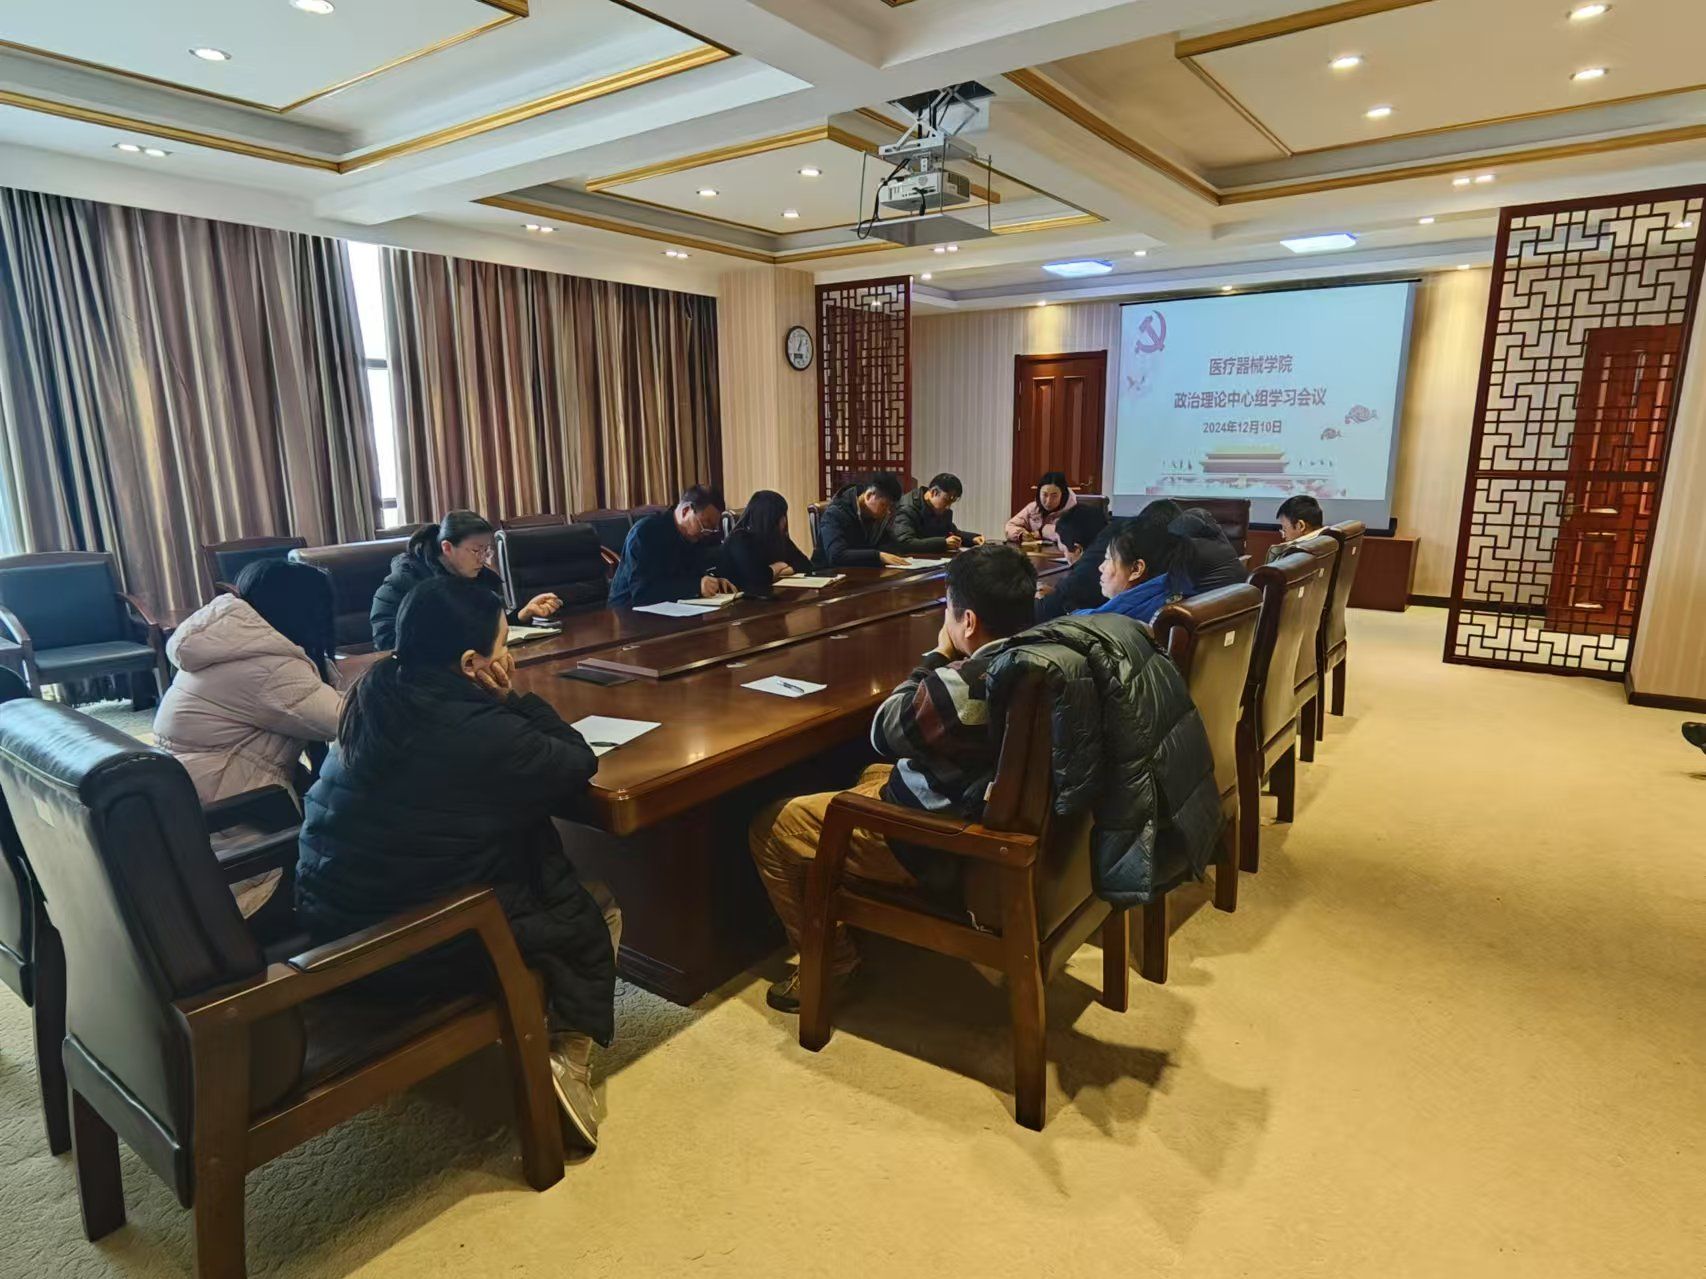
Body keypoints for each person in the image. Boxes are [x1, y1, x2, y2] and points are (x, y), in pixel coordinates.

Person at [296, 576, 619, 1150]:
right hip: (412, 945)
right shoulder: (480, 729)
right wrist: (513, 699)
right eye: (503, 645)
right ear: (472, 663)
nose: (508, 655)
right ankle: (565, 1059)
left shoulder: (375, 695)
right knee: (599, 905)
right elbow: (575, 761)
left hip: (331, 917)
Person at [749, 544, 1039, 1012]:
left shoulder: (968, 684)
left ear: (967, 621)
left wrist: (937, 655)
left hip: (935, 841)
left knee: (772, 825)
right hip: (980, 798)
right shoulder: (1038, 657)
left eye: (948, 608)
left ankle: (831, 964)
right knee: (868, 774)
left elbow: (884, 730)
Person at [154, 558, 343, 918]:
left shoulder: (228, 644)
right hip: (242, 841)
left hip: (196, 817)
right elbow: (344, 720)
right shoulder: (268, 667)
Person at [371, 510, 561, 650]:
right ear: (447, 547)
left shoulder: (480, 578)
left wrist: (522, 615)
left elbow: (487, 622)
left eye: (486, 551)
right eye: (476, 551)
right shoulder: (404, 582)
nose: (483, 559)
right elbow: (386, 641)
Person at [608, 485, 736, 607]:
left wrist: (715, 582)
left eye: (712, 528)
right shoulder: (645, 532)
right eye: (705, 524)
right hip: (628, 613)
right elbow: (642, 592)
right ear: (686, 511)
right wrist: (696, 586)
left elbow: (698, 574)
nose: (707, 532)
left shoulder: (698, 537)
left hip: (678, 610)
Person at [1078, 507, 1181, 625]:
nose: (1101, 567)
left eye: (1108, 558)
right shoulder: (1176, 590)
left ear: (1136, 569)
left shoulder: (1109, 621)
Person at [719, 490, 811, 598]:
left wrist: (779, 571)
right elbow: (759, 578)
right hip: (741, 602)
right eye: (782, 516)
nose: (785, 521)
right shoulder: (740, 539)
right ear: (771, 518)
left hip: (769, 598)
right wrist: (780, 566)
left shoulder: (777, 538)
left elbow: (806, 565)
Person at [812, 471, 910, 570]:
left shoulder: (876, 517)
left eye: (890, 507)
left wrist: (885, 554)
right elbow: (836, 555)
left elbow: (892, 546)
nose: (888, 511)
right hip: (829, 574)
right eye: (884, 505)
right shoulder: (835, 514)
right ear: (869, 495)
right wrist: (878, 555)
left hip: (862, 573)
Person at [1036, 502, 1117, 621]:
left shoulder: (1085, 574)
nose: (1065, 555)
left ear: (1077, 549)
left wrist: (1052, 596)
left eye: (1064, 550)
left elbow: (1042, 611)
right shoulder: (1113, 541)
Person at [890, 473, 982, 553]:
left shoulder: (939, 508)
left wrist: (973, 539)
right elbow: (904, 543)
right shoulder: (907, 507)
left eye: (952, 502)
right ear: (934, 492)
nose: (948, 506)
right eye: (946, 500)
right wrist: (943, 543)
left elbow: (950, 531)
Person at [1004, 470, 1077, 547]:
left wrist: (1043, 532)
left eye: (1054, 496)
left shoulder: (1074, 511)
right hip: (1033, 552)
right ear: (1039, 493)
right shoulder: (1033, 508)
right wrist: (1020, 535)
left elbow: (1071, 534)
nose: (1048, 501)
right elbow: (1010, 526)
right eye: (1045, 495)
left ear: (1063, 495)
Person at [1267, 495, 1325, 562]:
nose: (1283, 536)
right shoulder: (1329, 542)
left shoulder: (1292, 555)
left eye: (1285, 529)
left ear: (1301, 525)